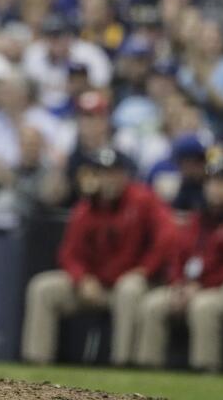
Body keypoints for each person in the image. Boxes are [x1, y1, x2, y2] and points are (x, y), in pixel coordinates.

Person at [22, 148, 172, 366]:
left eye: (113, 173)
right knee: (42, 287)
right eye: (102, 174)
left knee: (128, 289)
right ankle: (36, 361)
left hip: (133, 282)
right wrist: (81, 279)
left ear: (124, 175)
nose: (108, 180)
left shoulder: (143, 200)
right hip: (95, 285)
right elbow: (68, 253)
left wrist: (146, 269)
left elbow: (168, 238)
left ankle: (124, 363)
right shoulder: (86, 208)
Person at [134, 152, 223, 371]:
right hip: (189, 287)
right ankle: (148, 368)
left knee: (203, 307)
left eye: (222, 183)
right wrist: (178, 285)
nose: (216, 189)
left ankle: (206, 368)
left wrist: (200, 287)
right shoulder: (198, 219)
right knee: (153, 304)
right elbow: (178, 256)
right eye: (211, 183)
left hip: (220, 290)